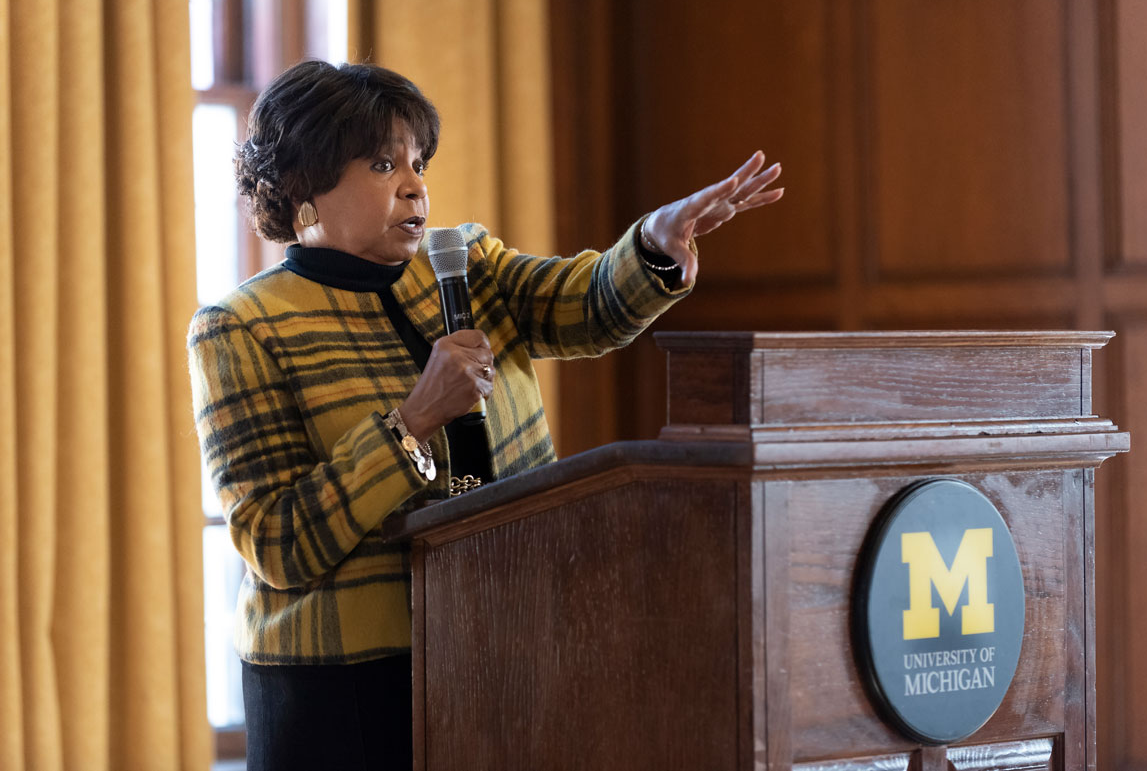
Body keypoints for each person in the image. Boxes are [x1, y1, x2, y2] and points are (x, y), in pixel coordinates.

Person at [187, 59, 783, 771]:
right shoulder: (242, 327)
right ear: (301, 189)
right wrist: (410, 422)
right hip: (343, 686)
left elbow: (586, 305)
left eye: (418, 162)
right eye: (383, 164)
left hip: (501, 641)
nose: (415, 185)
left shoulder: (467, 261)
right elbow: (277, 540)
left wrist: (654, 243)